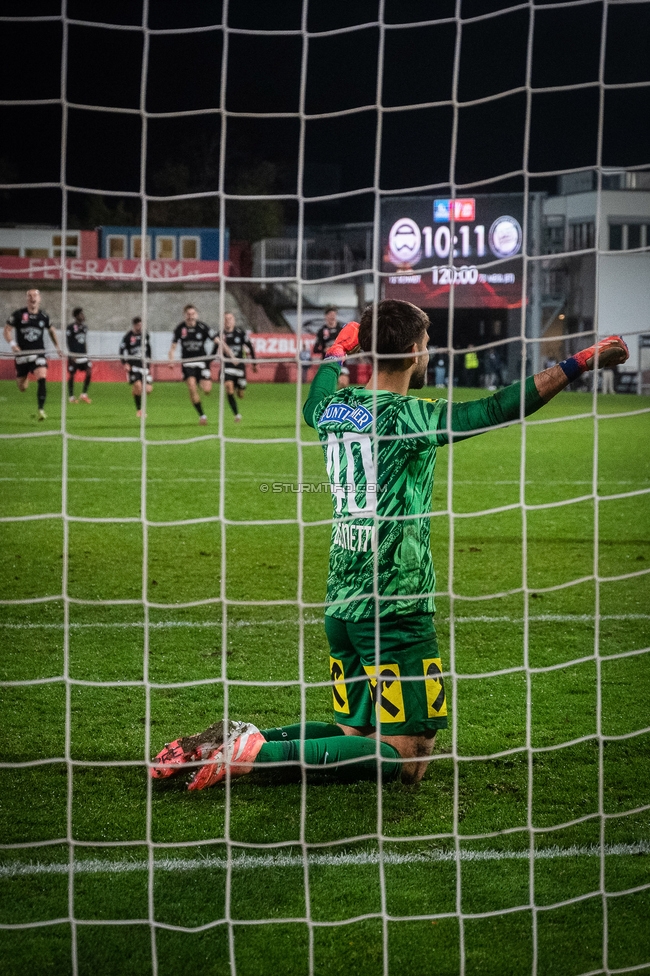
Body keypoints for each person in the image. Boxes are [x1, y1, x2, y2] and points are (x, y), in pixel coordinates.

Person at [150, 299, 629, 791]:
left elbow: (312, 403)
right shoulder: (409, 418)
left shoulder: (336, 409)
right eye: (425, 346)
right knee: (408, 757)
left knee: (354, 730)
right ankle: (252, 754)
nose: (428, 354)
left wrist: (337, 351)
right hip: (395, 605)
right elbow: (495, 408)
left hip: (342, 603)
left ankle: (229, 742)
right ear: (410, 353)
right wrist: (581, 361)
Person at [4, 288, 62, 421]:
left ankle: (41, 410)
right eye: (29, 296)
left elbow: (51, 331)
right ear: (27, 299)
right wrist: (13, 344)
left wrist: (58, 347)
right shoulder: (18, 315)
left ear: (39, 299)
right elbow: (7, 330)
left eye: (35, 295)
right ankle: (26, 376)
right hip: (22, 355)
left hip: (38, 354)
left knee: (42, 377)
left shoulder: (44, 317)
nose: (32, 298)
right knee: (22, 387)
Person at [168, 304, 230, 426]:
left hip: (202, 363)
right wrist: (171, 360)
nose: (190, 317)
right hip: (188, 363)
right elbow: (173, 347)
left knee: (207, 389)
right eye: (188, 314)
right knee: (192, 387)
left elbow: (218, 341)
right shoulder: (180, 328)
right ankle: (202, 415)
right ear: (185, 315)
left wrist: (230, 355)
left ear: (196, 315)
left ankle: (201, 386)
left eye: (192, 314)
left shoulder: (203, 327)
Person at [217, 311, 258, 422]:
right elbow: (213, 349)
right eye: (226, 319)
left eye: (230, 318)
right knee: (229, 388)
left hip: (239, 368)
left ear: (234, 321)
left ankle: (240, 387)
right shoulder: (220, 335)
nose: (228, 321)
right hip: (227, 367)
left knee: (240, 394)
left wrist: (254, 363)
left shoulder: (240, 333)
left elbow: (250, 347)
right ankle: (237, 415)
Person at [120, 316, 152, 417]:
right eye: (138, 325)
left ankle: (135, 392)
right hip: (133, 366)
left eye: (141, 325)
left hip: (144, 366)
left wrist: (149, 360)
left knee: (148, 390)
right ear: (134, 325)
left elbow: (149, 348)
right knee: (138, 386)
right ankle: (139, 410)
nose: (140, 327)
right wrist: (125, 363)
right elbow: (121, 351)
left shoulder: (145, 335)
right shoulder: (128, 337)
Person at [313, 304, 349, 389]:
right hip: (327, 362)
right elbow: (315, 349)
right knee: (327, 388)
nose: (332, 317)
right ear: (326, 316)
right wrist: (325, 350)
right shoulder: (321, 331)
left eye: (334, 314)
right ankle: (330, 401)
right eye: (330, 315)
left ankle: (340, 401)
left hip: (341, 362)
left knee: (343, 384)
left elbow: (348, 347)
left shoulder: (341, 330)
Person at [66, 307, 92, 404]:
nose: (83, 316)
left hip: (83, 355)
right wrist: (71, 354)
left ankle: (84, 394)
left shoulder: (84, 328)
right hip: (74, 355)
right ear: (76, 316)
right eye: (81, 314)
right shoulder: (71, 327)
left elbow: (84, 342)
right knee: (72, 375)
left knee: (89, 372)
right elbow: (69, 342)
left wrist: (86, 354)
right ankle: (71, 397)